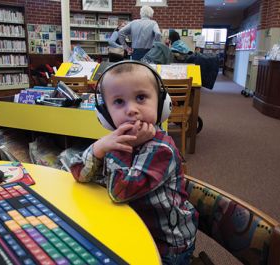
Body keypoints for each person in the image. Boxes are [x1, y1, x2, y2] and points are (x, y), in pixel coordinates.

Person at [67, 61, 198, 265]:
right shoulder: (113, 141)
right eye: (119, 101)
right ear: (105, 114)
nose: (132, 110)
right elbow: (77, 172)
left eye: (141, 97)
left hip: (166, 246)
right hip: (132, 229)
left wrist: (119, 149)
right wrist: (99, 148)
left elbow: (121, 191)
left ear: (161, 103)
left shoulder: (161, 149)